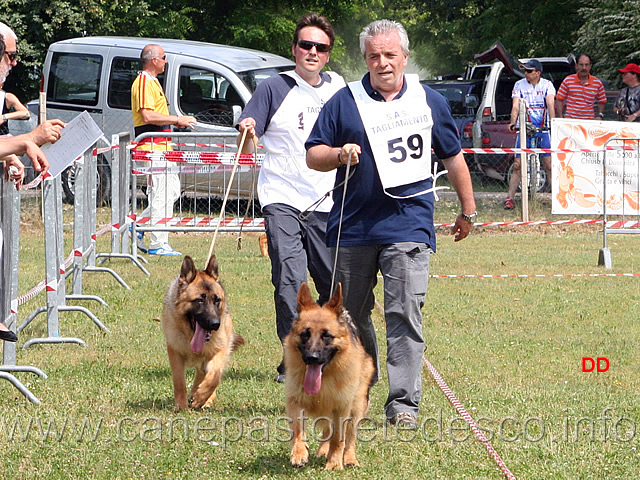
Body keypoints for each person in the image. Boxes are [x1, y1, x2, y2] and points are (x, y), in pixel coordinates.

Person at [305, 19, 476, 428]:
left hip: (409, 227)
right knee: (349, 316)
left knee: (404, 314)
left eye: (390, 55)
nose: (382, 63)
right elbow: (313, 154)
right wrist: (339, 153)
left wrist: (468, 210)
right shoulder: (344, 102)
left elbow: (452, 157)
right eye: (373, 56)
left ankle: (403, 405)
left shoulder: (429, 100)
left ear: (405, 57)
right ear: (365, 59)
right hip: (354, 227)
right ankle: (360, 384)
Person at [236, 13, 345, 384]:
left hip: (327, 200)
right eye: (305, 45)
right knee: (290, 280)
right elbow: (251, 128)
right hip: (281, 197)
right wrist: (248, 129)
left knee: (333, 282)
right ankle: (293, 359)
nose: (312, 52)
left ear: (328, 54)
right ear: (294, 50)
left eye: (320, 47)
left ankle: (331, 349)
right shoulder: (274, 87)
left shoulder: (338, 88)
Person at [131, 44, 196, 256]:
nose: (166, 61)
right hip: (152, 147)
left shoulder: (152, 82)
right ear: (154, 60)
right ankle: (158, 241)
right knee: (162, 193)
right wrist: (177, 119)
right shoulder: (142, 82)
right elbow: (148, 115)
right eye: (164, 57)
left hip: (162, 147)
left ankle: (139, 226)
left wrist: (175, 123)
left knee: (172, 190)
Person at [504, 59, 556, 210]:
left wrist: (552, 123)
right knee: (517, 165)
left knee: (549, 165)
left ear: (538, 73)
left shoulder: (547, 85)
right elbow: (515, 105)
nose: (525, 73)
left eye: (529, 71)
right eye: (525, 71)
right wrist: (513, 122)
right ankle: (510, 198)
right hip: (524, 128)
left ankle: (556, 200)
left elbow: (551, 105)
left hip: (543, 129)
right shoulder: (519, 85)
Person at [555, 54, 606, 120]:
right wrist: (561, 118)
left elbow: (602, 101)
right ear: (576, 66)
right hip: (570, 122)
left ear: (590, 66)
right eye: (581, 65)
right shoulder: (568, 80)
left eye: (586, 65)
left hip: (588, 123)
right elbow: (559, 99)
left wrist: (600, 115)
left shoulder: (597, 83)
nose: (584, 68)